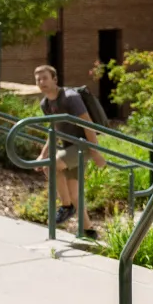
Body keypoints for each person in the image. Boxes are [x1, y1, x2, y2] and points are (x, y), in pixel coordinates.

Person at [34, 64, 97, 228]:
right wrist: (43, 154)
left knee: (51, 165)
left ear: (55, 79)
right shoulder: (45, 104)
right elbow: (55, 130)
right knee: (75, 194)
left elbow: (88, 125)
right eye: (38, 79)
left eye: (45, 78)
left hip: (83, 146)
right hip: (68, 149)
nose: (41, 82)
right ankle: (89, 231)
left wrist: (96, 153)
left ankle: (66, 207)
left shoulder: (70, 97)